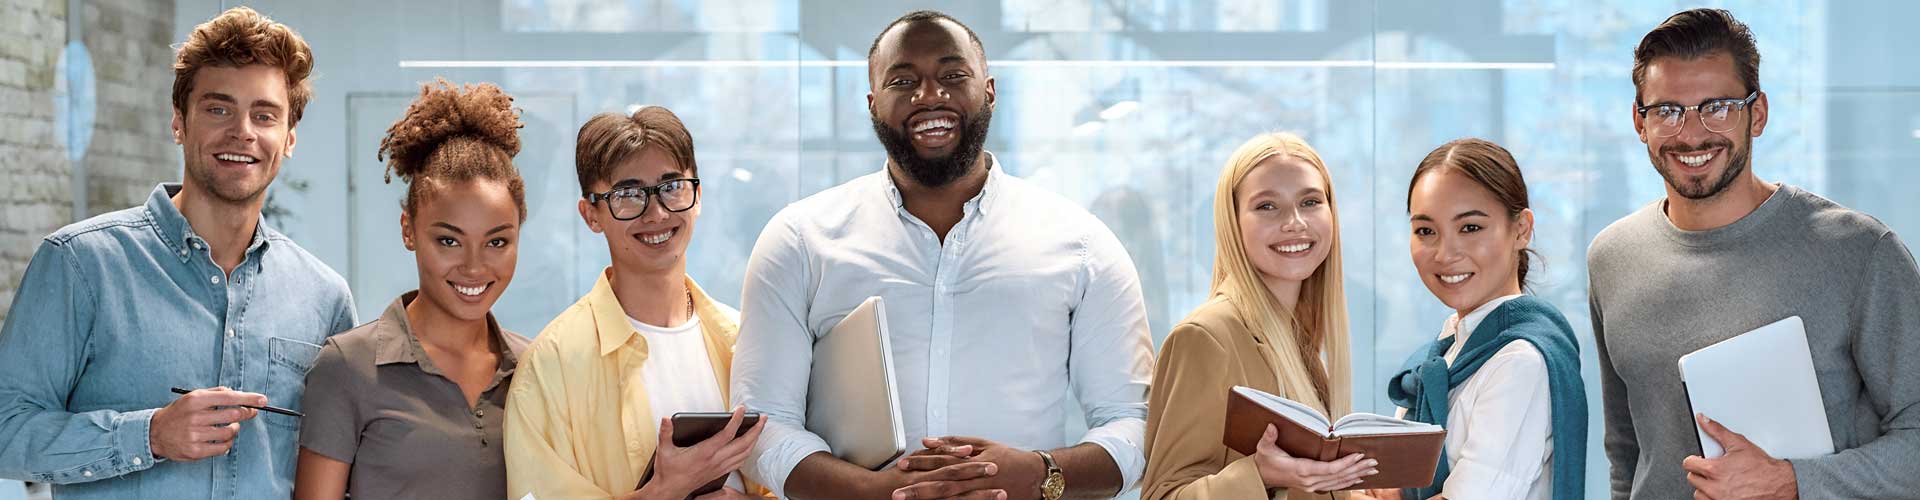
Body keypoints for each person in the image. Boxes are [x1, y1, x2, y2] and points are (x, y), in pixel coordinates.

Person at [729, 9, 1155, 500]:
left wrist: (1041, 474)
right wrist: (873, 493)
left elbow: (1134, 423)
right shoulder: (799, 241)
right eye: (903, 79)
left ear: (989, 91)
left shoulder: (1083, 244)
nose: (929, 95)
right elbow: (764, 425)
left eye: (953, 75)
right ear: (872, 104)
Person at [0, 7, 357, 499]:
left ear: (288, 138)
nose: (242, 131)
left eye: (265, 115)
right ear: (178, 123)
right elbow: (6, 430)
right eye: (218, 109)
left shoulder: (325, 298)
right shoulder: (80, 264)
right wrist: (149, 436)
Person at [1588, 8, 1920, 500]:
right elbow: (1628, 453)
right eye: (1668, 110)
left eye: (1717, 106)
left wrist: (1791, 481)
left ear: (1757, 113)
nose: (1692, 133)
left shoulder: (1860, 251)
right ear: (1640, 122)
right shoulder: (1611, 257)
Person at [505, 106, 764, 500]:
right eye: (628, 194)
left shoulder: (745, 339)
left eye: (672, 186)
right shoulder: (551, 364)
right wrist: (663, 492)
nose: (657, 213)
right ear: (591, 214)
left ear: (697, 195)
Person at [292, 79, 533, 499]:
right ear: (409, 229)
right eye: (448, 240)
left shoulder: (536, 369)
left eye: (497, 242)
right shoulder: (348, 367)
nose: (474, 267)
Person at [1141, 132, 1373, 500]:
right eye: (1267, 206)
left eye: (1310, 201)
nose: (1295, 222)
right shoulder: (1205, 338)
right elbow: (1162, 495)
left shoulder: (1298, 338)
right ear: (1233, 223)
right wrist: (1259, 476)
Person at [1375, 138, 1584, 500]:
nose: (1445, 253)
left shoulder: (1520, 362)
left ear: (1521, 229)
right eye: (1426, 231)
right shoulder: (1447, 353)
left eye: (1470, 228)